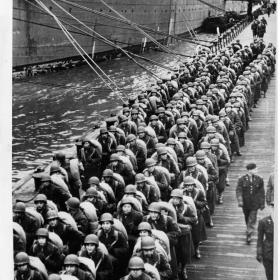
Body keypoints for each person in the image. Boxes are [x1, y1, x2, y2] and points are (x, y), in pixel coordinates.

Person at [236, 163, 265, 244]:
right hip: (245, 203)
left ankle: (249, 234)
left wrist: (262, 203)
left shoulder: (259, 179)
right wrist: (240, 200)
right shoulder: (242, 179)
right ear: (249, 170)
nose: (256, 170)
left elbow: (261, 192)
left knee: (252, 218)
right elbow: (239, 190)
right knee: (247, 217)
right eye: (255, 169)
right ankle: (249, 228)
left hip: (255, 203)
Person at [256, 202, 274, 280]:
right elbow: (259, 239)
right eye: (273, 207)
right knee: (270, 275)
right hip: (268, 254)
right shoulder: (264, 222)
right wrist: (259, 253)